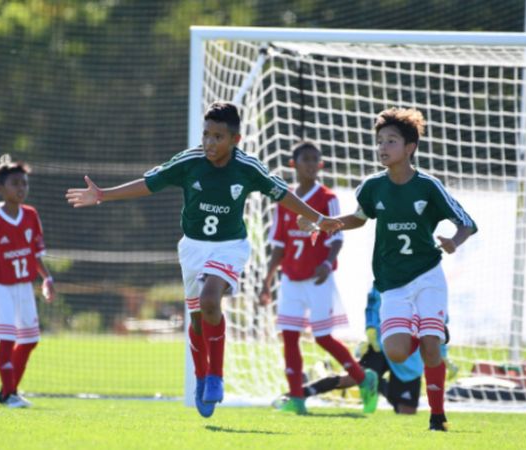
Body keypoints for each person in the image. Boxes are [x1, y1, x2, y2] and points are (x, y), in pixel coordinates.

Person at [66, 102, 343, 418]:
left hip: (230, 247)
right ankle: (201, 376)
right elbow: (149, 184)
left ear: (235, 140)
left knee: (212, 301)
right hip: (193, 249)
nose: (210, 143)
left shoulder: (248, 167)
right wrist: (103, 194)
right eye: (206, 135)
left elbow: (282, 194)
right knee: (197, 318)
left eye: (218, 137)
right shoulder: (190, 162)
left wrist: (319, 218)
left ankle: (216, 376)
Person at [326, 107, 477, 431]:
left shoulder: (428, 187)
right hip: (391, 283)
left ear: (410, 147)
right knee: (395, 353)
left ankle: (437, 417)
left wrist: (454, 241)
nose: (383, 147)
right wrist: (331, 223)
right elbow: (359, 217)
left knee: (432, 348)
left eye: (391, 141)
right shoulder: (372, 187)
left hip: (427, 277)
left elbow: (467, 222)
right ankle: (428, 335)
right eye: (379, 141)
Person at [259, 141, 377, 415]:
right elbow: (278, 245)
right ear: (294, 164)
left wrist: (326, 262)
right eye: (306, 159)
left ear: (320, 165)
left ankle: (363, 378)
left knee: (323, 337)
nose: (312, 164)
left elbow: (336, 236)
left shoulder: (327, 197)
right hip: (290, 279)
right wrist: (267, 281)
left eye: (316, 160)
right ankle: (297, 399)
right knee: (289, 336)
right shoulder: (284, 199)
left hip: (318, 278)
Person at [0, 157, 55, 409]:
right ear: (0, 189)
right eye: (15, 183)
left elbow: (36, 254)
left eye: (24, 183)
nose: (21, 188)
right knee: (7, 338)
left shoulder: (31, 215)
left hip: (24, 287)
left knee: (29, 340)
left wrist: (47, 278)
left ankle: (9, 391)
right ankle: (9, 393)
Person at [290, 287, 455, 415]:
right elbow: (373, 303)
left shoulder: (431, 280)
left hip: (410, 353)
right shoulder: (389, 268)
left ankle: (377, 383)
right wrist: (371, 329)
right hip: (383, 341)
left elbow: (439, 320)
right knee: (352, 378)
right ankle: (298, 394)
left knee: (406, 410)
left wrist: (443, 352)